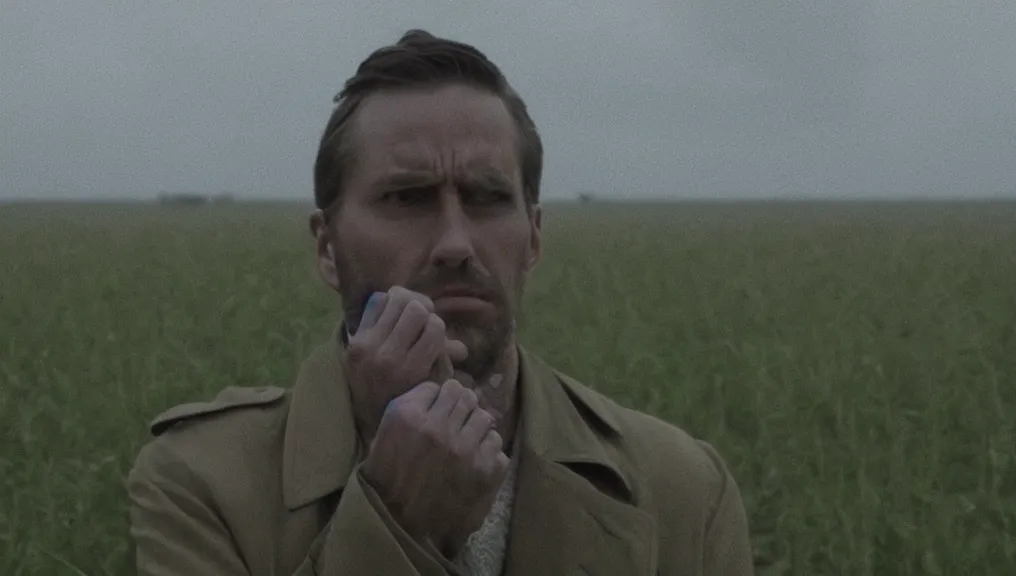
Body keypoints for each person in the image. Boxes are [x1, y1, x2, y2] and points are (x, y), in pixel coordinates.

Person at [127, 29, 755, 575]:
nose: (455, 244)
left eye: (486, 198)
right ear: (327, 248)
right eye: (408, 199)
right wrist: (395, 515)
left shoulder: (679, 488)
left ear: (533, 237)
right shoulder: (201, 483)